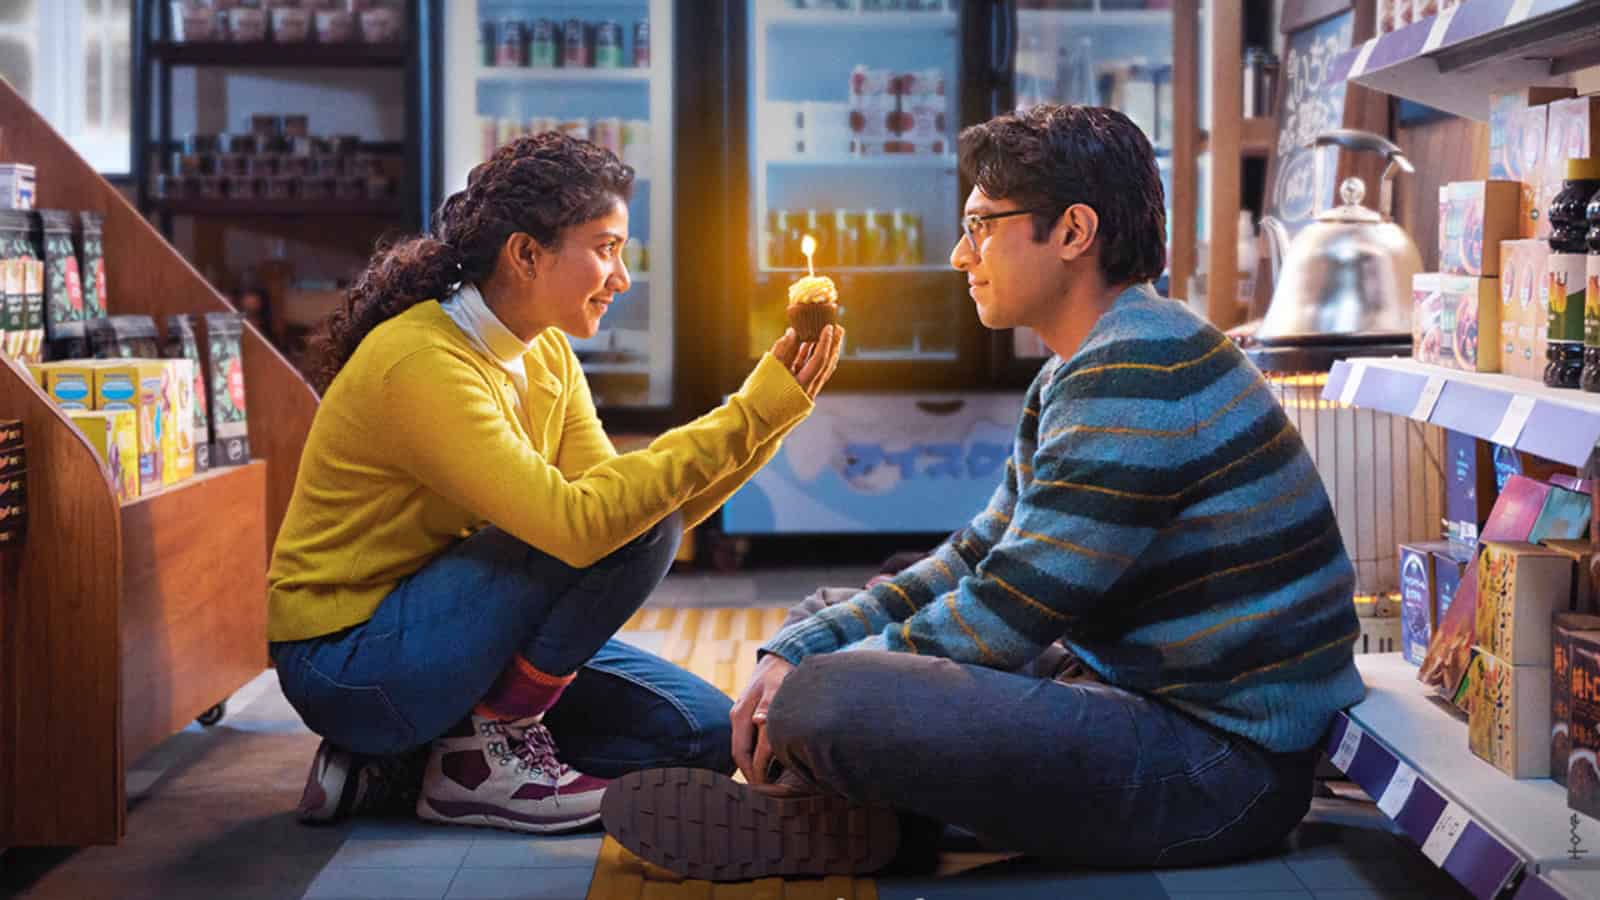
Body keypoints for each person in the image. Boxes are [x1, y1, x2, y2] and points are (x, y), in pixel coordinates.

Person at [600, 105, 1366, 880]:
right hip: (1122, 690)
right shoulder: (1084, 362)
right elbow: (976, 555)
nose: (960, 255)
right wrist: (799, 650)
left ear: (1072, 232)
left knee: (826, 700)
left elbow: (1006, 613)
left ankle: (840, 809)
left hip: (1217, 769)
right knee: (816, 623)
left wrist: (808, 685)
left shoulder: (1136, 372)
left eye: (982, 225)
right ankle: (846, 815)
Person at [267, 132, 843, 835]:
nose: (622, 277)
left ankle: (405, 764)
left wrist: (772, 417)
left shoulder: (545, 355)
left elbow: (634, 518)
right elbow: (584, 528)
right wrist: (746, 411)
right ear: (526, 253)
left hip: (456, 635)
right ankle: (478, 761)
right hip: (350, 661)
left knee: (697, 737)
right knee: (617, 519)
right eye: (606, 248)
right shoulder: (420, 361)